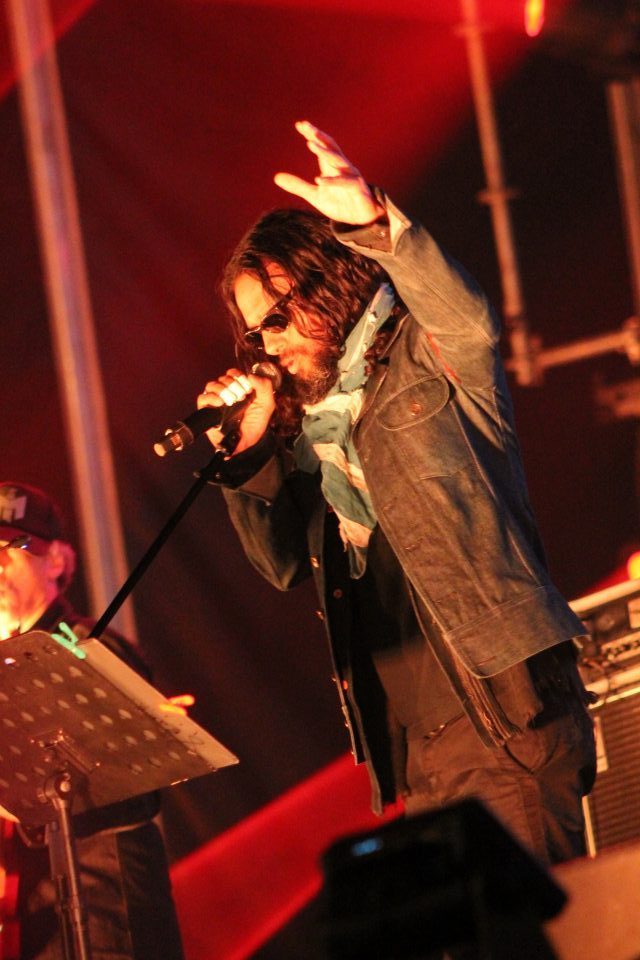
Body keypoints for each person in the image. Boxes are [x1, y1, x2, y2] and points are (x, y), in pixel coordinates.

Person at [198, 121, 596, 867]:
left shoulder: (421, 354)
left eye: (277, 319)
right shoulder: (317, 440)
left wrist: (375, 225)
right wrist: (247, 458)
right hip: (418, 753)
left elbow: (467, 321)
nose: (270, 345)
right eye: (257, 335)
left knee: (531, 926)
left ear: (328, 284)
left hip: (502, 718)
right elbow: (281, 565)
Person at [0, 481, 184, 960]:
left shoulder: (89, 647)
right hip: (32, 921)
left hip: (105, 913)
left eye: (14, 547)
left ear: (57, 561)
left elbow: (133, 788)